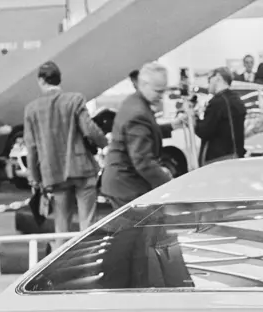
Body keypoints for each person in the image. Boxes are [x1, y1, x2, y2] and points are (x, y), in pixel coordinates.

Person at [23, 61, 107, 245]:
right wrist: (105, 143)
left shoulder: (31, 110)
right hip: (82, 169)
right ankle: (90, 263)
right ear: (59, 79)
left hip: (53, 174)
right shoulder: (74, 100)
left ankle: (61, 269)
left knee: (61, 228)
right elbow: (89, 130)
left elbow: (32, 148)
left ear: (41, 81)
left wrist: (35, 178)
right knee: (88, 225)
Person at [101, 61, 173, 210]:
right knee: (144, 231)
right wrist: (168, 184)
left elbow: (146, 132)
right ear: (145, 85)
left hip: (122, 182)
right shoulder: (138, 113)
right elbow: (143, 161)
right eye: (158, 91)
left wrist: (172, 126)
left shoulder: (134, 102)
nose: (161, 96)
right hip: (127, 185)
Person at [192, 67, 246, 166]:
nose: (208, 84)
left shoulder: (217, 102)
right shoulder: (237, 100)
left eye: (209, 79)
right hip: (235, 156)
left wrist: (193, 118)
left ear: (218, 77)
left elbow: (204, 131)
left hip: (217, 160)